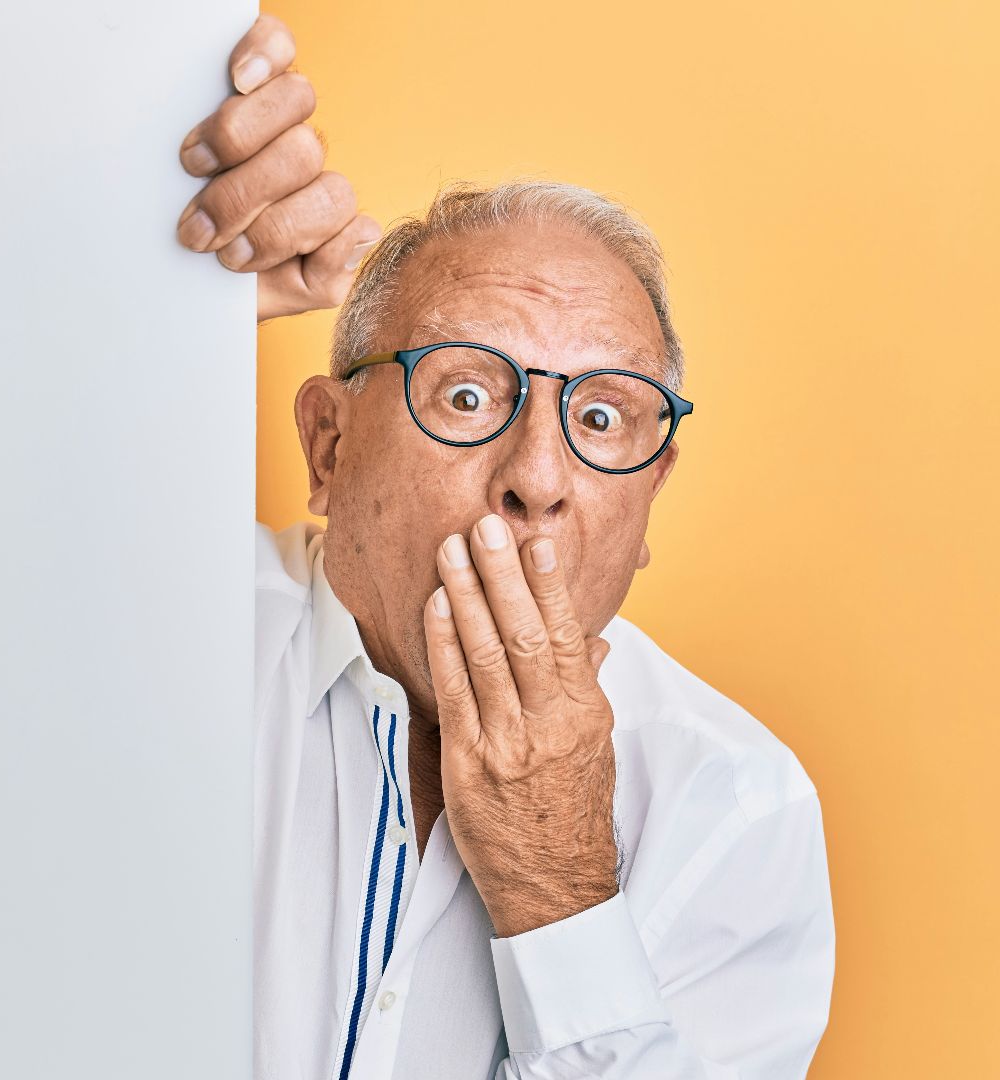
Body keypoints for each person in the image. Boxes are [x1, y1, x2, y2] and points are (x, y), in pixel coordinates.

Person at [179, 15, 834, 1079]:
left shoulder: (735, 806)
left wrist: (555, 887)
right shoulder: (164, 635)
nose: (538, 477)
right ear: (328, 446)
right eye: (470, 394)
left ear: (650, 500)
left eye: (604, 421)